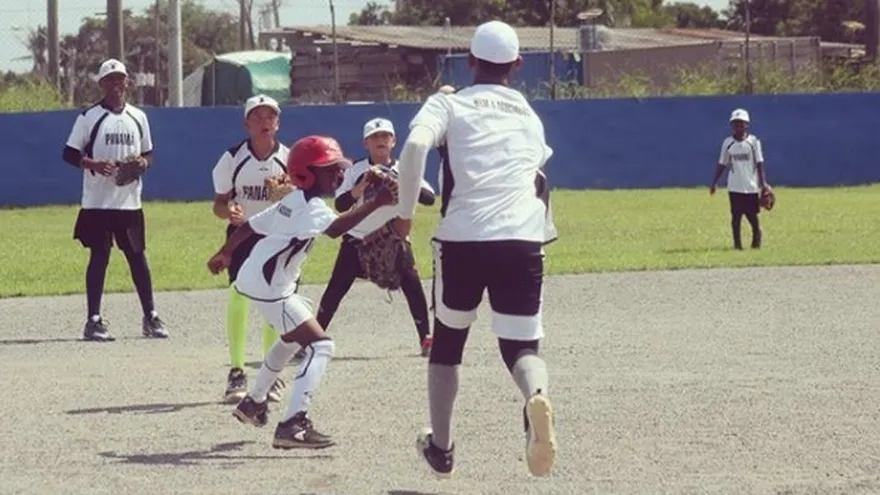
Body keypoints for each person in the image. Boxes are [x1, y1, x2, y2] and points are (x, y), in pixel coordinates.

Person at [394, 21, 557, 478]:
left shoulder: (449, 103)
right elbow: (538, 177)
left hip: (463, 240)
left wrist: (405, 215)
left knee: (447, 343)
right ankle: (535, 398)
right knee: (521, 347)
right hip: (523, 239)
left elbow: (412, 150)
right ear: (518, 66)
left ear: (469, 62)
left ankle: (441, 449)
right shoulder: (528, 115)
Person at [207, 135, 395, 449]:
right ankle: (293, 423)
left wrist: (226, 253)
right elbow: (336, 229)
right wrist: (376, 202)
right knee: (321, 347)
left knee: (291, 338)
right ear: (306, 173)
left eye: (338, 169)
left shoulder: (294, 201)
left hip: (263, 280)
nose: (337, 175)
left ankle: (254, 403)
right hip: (272, 288)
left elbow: (250, 226)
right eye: (329, 169)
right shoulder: (309, 205)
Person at [61, 58, 168, 342]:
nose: (116, 84)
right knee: (100, 256)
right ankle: (93, 320)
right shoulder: (89, 117)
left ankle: (151, 316)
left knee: (137, 257)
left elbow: (149, 153)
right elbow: (69, 153)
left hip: (129, 200)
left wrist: (143, 164)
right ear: (102, 85)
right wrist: (92, 164)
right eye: (110, 80)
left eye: (120, 79)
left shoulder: (138, 117)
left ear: (127, 83)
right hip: (97, 201)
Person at [310, 117, 436, 358]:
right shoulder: (356, 169)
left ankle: (426, 338)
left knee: (413, 285)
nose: (381, 140)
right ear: (366, 143)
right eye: (375, 137)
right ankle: (312, 339)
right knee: (335, 289)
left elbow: (429, 198)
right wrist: (363, 184)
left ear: (393, 141)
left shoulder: (406, 170)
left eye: (385, 136)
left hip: (393, 239)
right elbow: (341, 203)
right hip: (357, 238)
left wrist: (401, 181)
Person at [211, 94, 290, 404]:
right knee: (238, 295)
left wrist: (288, 197)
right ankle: (237, 371)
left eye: (270, 116)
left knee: (273, 302)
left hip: (276, 236)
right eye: (257, 117)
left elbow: (300, 200)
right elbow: (218, 203)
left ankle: (270, 375)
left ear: (278, 122)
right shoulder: (232, 158)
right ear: (247, 124)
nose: (264, 122)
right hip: (242, 235)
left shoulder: (289, 157)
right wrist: (228, 209)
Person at [710, 108, 769, 250]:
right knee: (736, 217)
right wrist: (714, 182)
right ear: (732, 125)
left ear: (746, 125)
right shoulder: (728, 143)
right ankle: (737, 245)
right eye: (735, 124)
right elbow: (722, 163)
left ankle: (756, 239)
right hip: (735, 186)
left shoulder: (753, 142)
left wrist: (763, 184)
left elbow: (759, 163)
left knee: (752, 216)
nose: (738, 126)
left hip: (751, 185)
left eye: (741, 123)